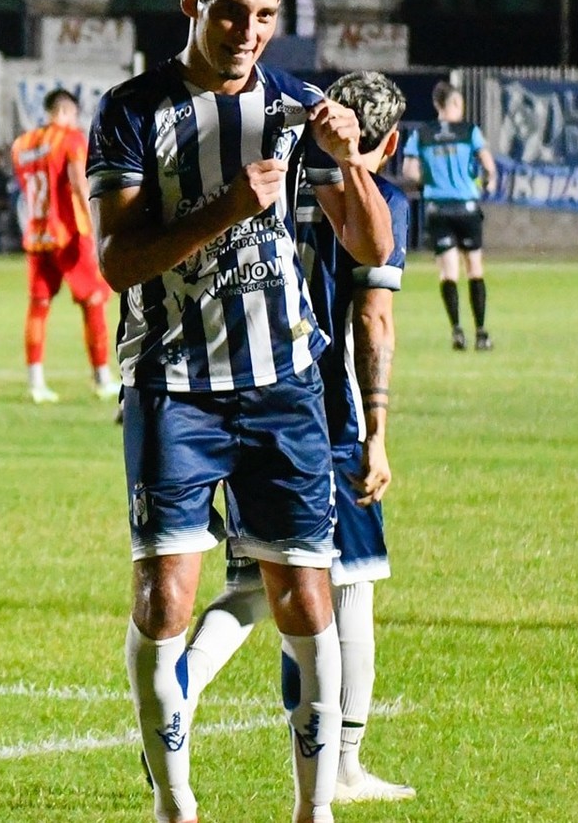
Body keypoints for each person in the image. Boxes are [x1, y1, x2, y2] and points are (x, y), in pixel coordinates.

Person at [86, 0, 393, 823]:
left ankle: (312, 809)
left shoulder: (300, 107)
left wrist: (355, 164)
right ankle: (176, 807)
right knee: (164, 595)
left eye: (264, 16)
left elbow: (371, 244)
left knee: (303, 592)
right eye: (231, 11)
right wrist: (228, 205)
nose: (247, 32)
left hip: (283, 385)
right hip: (172, 383)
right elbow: (118, 260)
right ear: (193, 2)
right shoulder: (132, 111)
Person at [184, 71, 416, 805]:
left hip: (250, 395)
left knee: (254, 579)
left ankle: (173, 692)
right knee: (348, 588)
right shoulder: (379, 199)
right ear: (394, 140)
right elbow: (373, 318)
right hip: (326, 413)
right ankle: (342, 765)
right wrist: (376, 432)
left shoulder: (278, 178)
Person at [11, 88, 120, 404]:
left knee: (38, 306)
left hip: (36, 235)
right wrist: (97, 226)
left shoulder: (22, 145)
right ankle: (101, 378)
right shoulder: (71, 139)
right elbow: (78, 182)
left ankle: (35, 381)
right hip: (69, 235)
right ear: (67, 112)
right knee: (94, 302)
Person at [402, 80, 497, 351]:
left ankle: (457, 330)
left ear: (436, 105)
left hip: (437, 207)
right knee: (475, 270)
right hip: (466, 206)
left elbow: (409, 172)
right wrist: (487, 182)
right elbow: (489, 168)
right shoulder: (469, 132)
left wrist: (429, 183)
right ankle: (481, 333)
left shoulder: (423, 133)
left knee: (448, 273)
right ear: (454, 103)